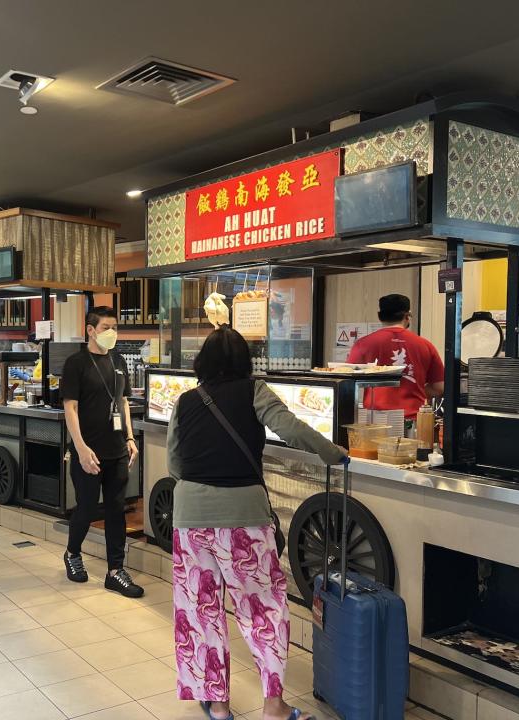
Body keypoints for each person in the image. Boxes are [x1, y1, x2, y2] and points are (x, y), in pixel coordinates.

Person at [167, 327, 347, 720]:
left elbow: (175, 465)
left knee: (201, 611)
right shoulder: (255, 391)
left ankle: (217, 704)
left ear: (203, 363)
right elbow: (292, 430)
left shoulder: (184, 402)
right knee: (262, 610)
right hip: (244, 518)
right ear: (244, 363)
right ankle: (274, 706)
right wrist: (333, 453)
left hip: (190, 518)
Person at [61, 306, 143, 598]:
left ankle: (115, 571)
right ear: (90, 330)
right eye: (106, 327)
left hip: (117, 450)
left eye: (114, 327)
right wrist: (81, 448)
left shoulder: (119, 361)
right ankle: (72, 553)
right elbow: (70, 407)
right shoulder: (76, 363)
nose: (112, 333)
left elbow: (122, 402)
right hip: (88, 452)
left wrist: (130, 438)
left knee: (116, 509)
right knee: (85, 507)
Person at [347, 293, 444, 419]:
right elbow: (439, 387)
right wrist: (416, 389)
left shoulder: (363, 344)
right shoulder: (425, 345)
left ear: (380, 316)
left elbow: (347, 382)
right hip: (414, 420)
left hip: (374, 420)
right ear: (407, 316)